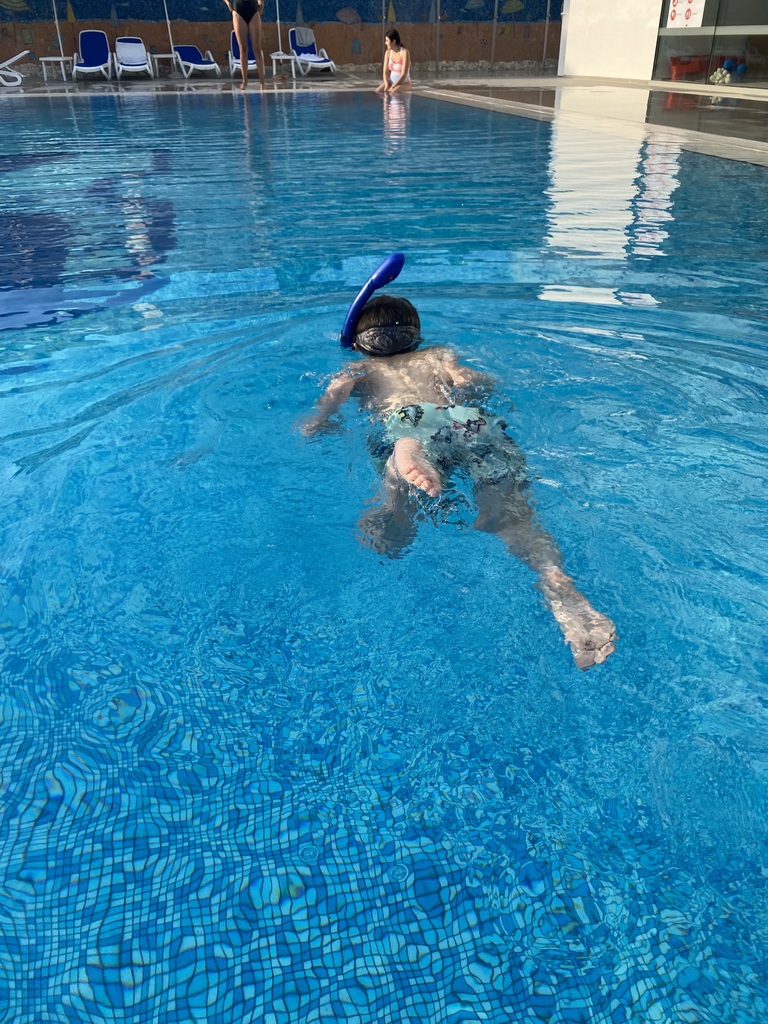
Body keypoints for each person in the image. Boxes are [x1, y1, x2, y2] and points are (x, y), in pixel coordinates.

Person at [301, 294, 617, 670]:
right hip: (469, 422)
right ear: (415, 335)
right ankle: (554, 579)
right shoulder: (436, 354)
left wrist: (316, 423)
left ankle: (400, 486)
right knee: (512, 515)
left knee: (404, 448)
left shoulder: (356, 370)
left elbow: (321, 417)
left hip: (413, 420)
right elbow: (466, 379)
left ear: (358, 340)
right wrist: (470, 381)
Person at [222, 0, 266, 90]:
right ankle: (244, 81)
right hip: (238, 9)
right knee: (243, 49)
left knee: (257, 48)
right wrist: (228, 3)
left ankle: (262, 81)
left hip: (253, 8)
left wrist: (261, 3)